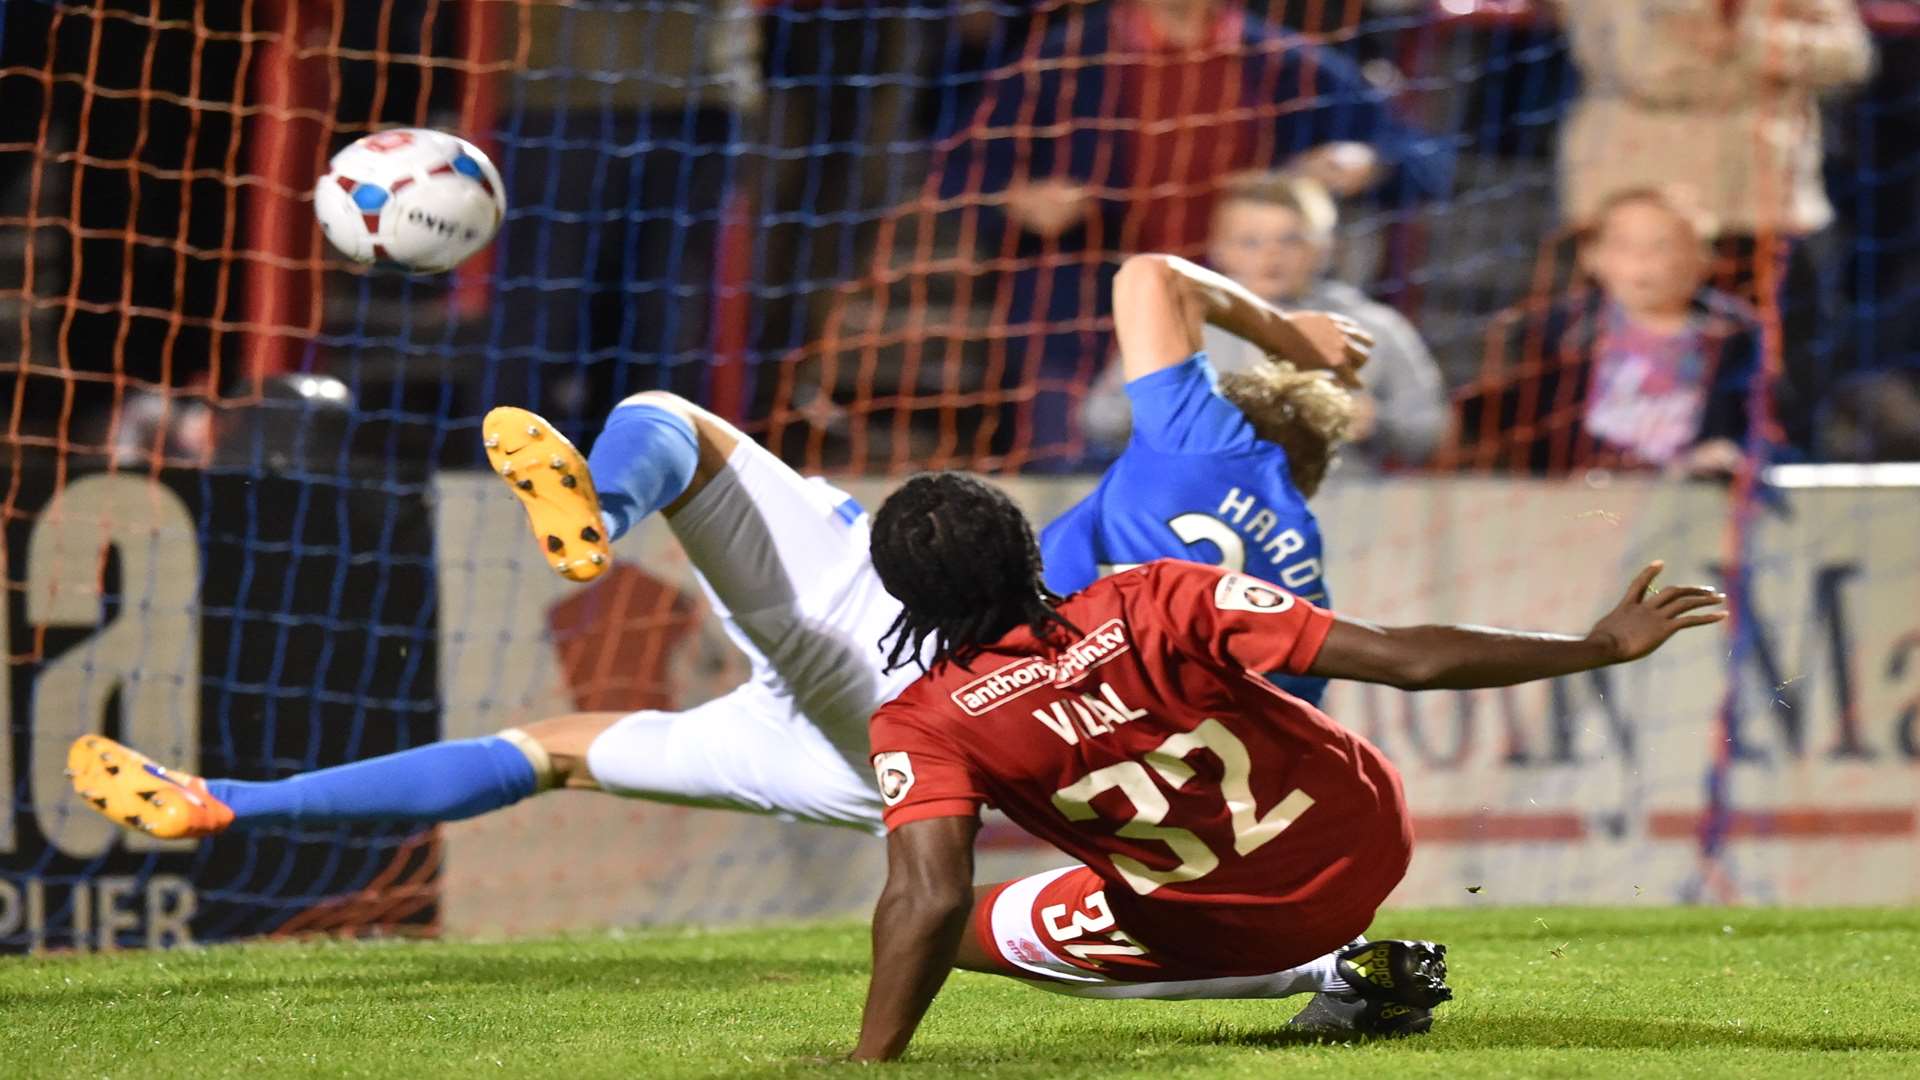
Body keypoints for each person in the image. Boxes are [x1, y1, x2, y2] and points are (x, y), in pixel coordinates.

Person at [849, 470, 1728, 1061]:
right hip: (1369, 834)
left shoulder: (924, 721)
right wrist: (1598, 645)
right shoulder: (1160, 591)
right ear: (1029, 549)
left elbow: (926, 899)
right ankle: (1342, 958)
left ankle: (1336, 973)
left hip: (1238, 924)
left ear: (902, 595)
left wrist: (870, 1062)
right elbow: (1406, 659)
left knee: (956, 931)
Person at [70, 393, 912, 839]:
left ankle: (605, 513)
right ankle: (218, 800)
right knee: (541, 752)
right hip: (855, 768)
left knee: (666, 420)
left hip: (868, 683)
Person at [938, 0, 1453, 467]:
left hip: (1242, 319)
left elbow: (1424, 162)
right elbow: (958, 173)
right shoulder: (1063, 63)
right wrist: (1017, 199)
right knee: (1075, 473)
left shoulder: (1288, 64)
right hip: (1084, 318)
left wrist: (1367, 161)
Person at [1042, 251, 1368, 706]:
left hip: (1060, 704)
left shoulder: (1201, 445)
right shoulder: (1305, 586)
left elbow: (1152, 274)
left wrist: (1287, 335)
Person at [1551, 0, 1872, 450]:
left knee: (1785, 391)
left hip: (1770, 209)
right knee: (1607, 393)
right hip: (1638, 203)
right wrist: (1773, 67)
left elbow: (1850, 57)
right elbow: (1644, 65)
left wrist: (1746, 41)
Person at [1082, 173, 1448, 473]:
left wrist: (1375, 423)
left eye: (1290, 240)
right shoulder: (1174, 326)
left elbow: (1431, 429)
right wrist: (1166, 406)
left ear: (1324, 247)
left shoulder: (1374, 327)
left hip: (1336, 519)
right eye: (1250, 242)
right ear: (1219, 249)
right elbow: (1099, 420)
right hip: (1202, 512)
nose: (1271, 256)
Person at [1455, 187, 1766, 476]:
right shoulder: (1548, 335)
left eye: (1662, 246)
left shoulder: (1738, 335)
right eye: (1624, 245)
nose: (1641, 261)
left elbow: (1770, 429)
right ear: (1592, 257)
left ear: (1703, 258)